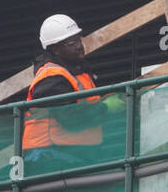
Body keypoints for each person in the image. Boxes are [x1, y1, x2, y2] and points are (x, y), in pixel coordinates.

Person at [23, 14, 119, 172]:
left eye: (79, 40)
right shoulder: (51, 78)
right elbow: (70, 119)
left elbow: (85, 105)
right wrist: (106, 108)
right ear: (55, 49)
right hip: (50, 158)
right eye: (72, 43)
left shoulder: (77, 72)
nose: (79, 46)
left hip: (72, 155)